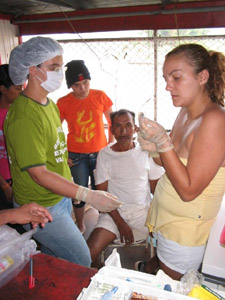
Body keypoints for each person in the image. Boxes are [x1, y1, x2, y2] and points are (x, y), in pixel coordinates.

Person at [4, 36, 121, 267]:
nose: (59, 73)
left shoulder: (48, 104)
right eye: (53, 68)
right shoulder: (25, 116)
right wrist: (86, 194)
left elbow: (53, 149)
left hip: (58, 197)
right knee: (81, 260)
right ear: (33, 70)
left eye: (60, 66)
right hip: (41, 207)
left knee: (54, 256)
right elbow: (38, 173)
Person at [137, 43, 225, 280]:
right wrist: (154, 148)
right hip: (167, 221)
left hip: (185, 233)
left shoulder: (214, 119)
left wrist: (163, 142)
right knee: (160, 272)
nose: (167, 86)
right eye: (166, 78)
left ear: (202, 77)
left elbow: (189, 190)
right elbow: (171, 164)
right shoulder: (185, 112)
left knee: (171, 290)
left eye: (176, 77)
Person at [87, 109, 164, 267]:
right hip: (113, 215)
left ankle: (146, 269)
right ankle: (106, 275)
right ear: (112, 129)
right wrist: (120, 222)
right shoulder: (105, 155)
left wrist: (158, 217)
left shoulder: (145, 151)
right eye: (118, 126)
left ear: (135, 128)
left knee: (170, 250)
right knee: (87, 255)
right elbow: (102, 196)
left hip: (143, 214)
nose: (123, 131)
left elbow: (156, 190)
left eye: (128, 125)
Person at [57, 60, 114, 235]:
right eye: (77, 85)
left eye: (86, 82)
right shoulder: (63, 102)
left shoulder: (100, 96)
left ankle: (105, 225)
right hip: (76, 156)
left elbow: (112, 122)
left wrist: (110, 146)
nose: (82, 88)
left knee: (102, 190)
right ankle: (80, 224)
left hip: (100, 153)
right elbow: (55, 130)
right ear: (70, 86)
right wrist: (63, 154)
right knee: (80, 191)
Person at [0, 64, 23, 209]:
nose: (21, 93)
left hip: (19, 177)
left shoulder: (19, 111)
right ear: (3, 89)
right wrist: (4, 186)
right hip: (3, 181)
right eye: (17, 89)